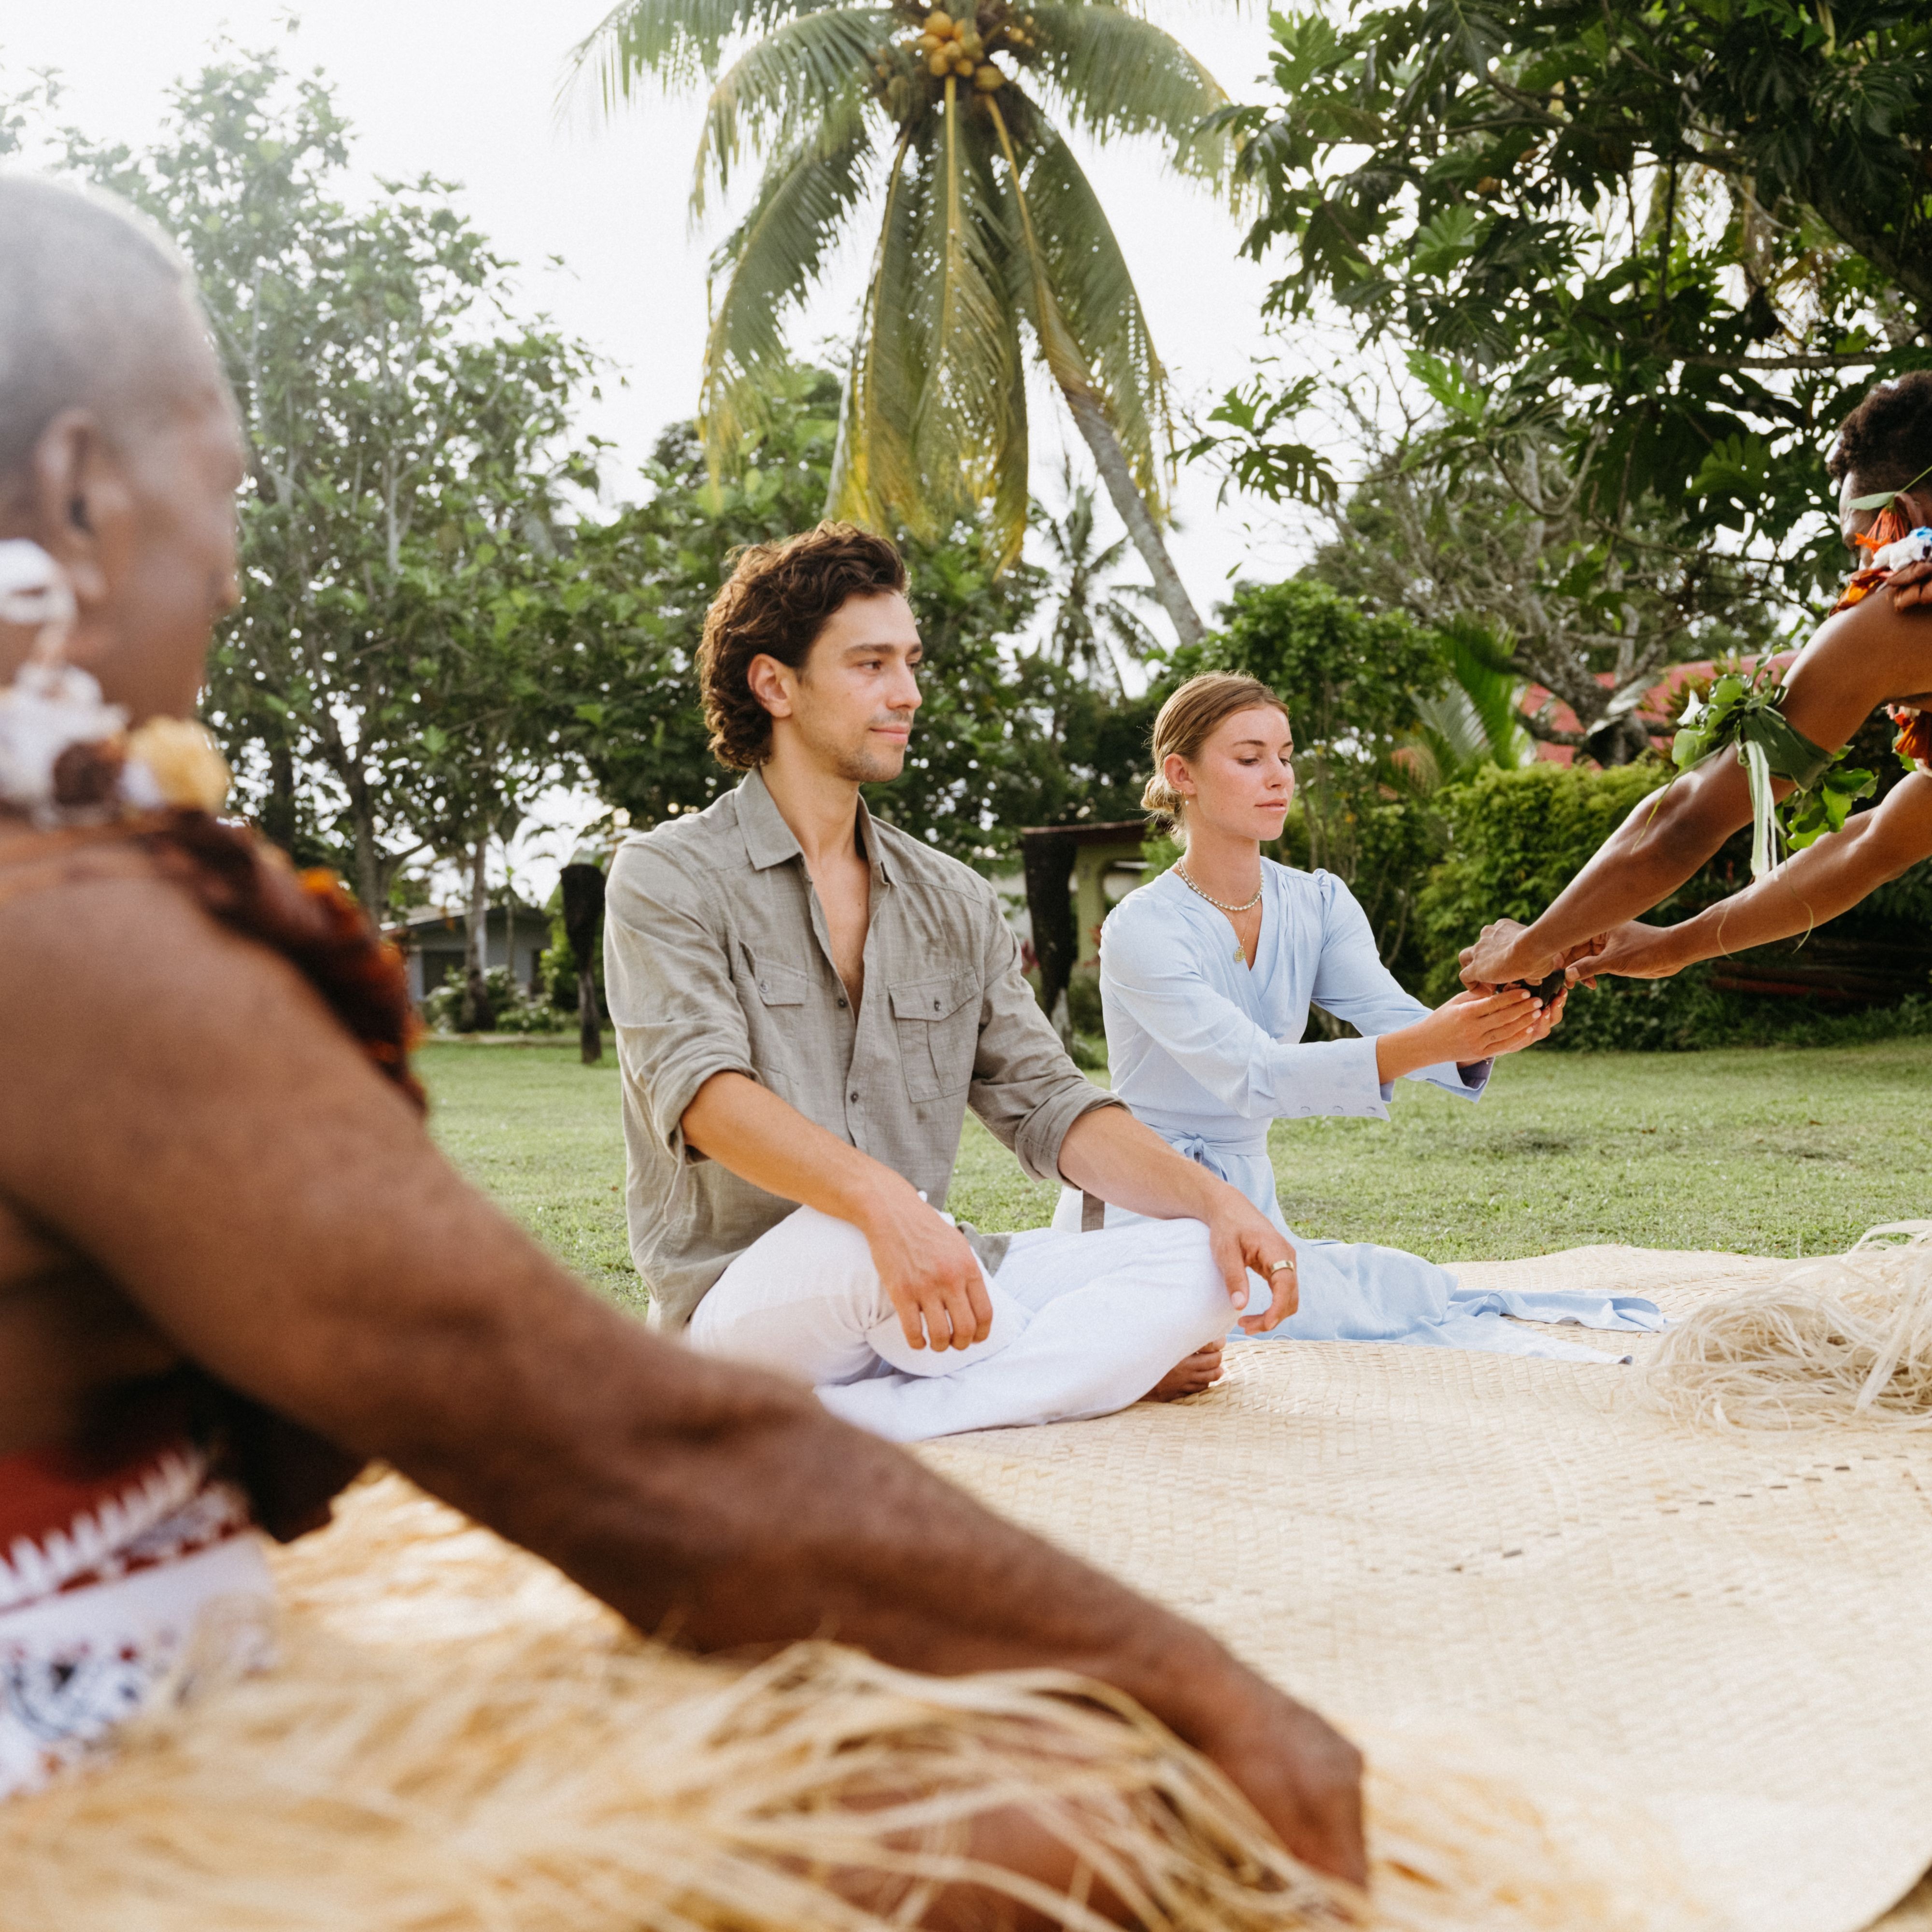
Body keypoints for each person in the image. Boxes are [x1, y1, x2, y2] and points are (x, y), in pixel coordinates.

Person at [0, 173, 1368, 1903]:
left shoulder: (941, 893)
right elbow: (608, 1439)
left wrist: (1201, 1211)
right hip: (80, 1760)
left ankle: (937, 1381)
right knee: (1028, 1835)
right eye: (226, 483)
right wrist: (1196, 1687)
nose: (232, 555)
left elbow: (1042, 1094)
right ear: (71, 491)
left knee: (1159, 1268)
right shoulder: (75, 939)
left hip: (883, 1297)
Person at [603, 527, 1304, 1444]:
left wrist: (1217, 1201)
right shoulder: (667, 875)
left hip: (933, 1282)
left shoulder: (953, 898)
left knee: (1198, 1259)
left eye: (910, 662)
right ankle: (1070, 1373)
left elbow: (1049, 1103)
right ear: (775, 685)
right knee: (853, 1235)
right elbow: (703, 1098)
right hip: (759, 1299)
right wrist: (884, 1203)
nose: (908, 694)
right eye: (870, 664)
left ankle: (861, 1418)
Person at [1058, 673, 1664, 1359]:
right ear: (1182, 775)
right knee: (1247, 1315)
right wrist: (1433, 1039)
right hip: (1147, 1200)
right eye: (1250, 758)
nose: (1279, 777)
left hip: (1251, 1197)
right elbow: (1253, 1075)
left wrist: (1497, 1014)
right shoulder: (1144, 927)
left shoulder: (1318, 901)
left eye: (1286, 756)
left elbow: (1390, 1016)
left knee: (1396, 1290)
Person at [1459, 370, 1932, 992]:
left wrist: (1527, 950)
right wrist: (1674, 946)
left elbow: (1689, 817)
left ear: (1900, 515)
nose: (1861, 569)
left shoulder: (1897, 618)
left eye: (1858, 545)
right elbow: (1872, 844)